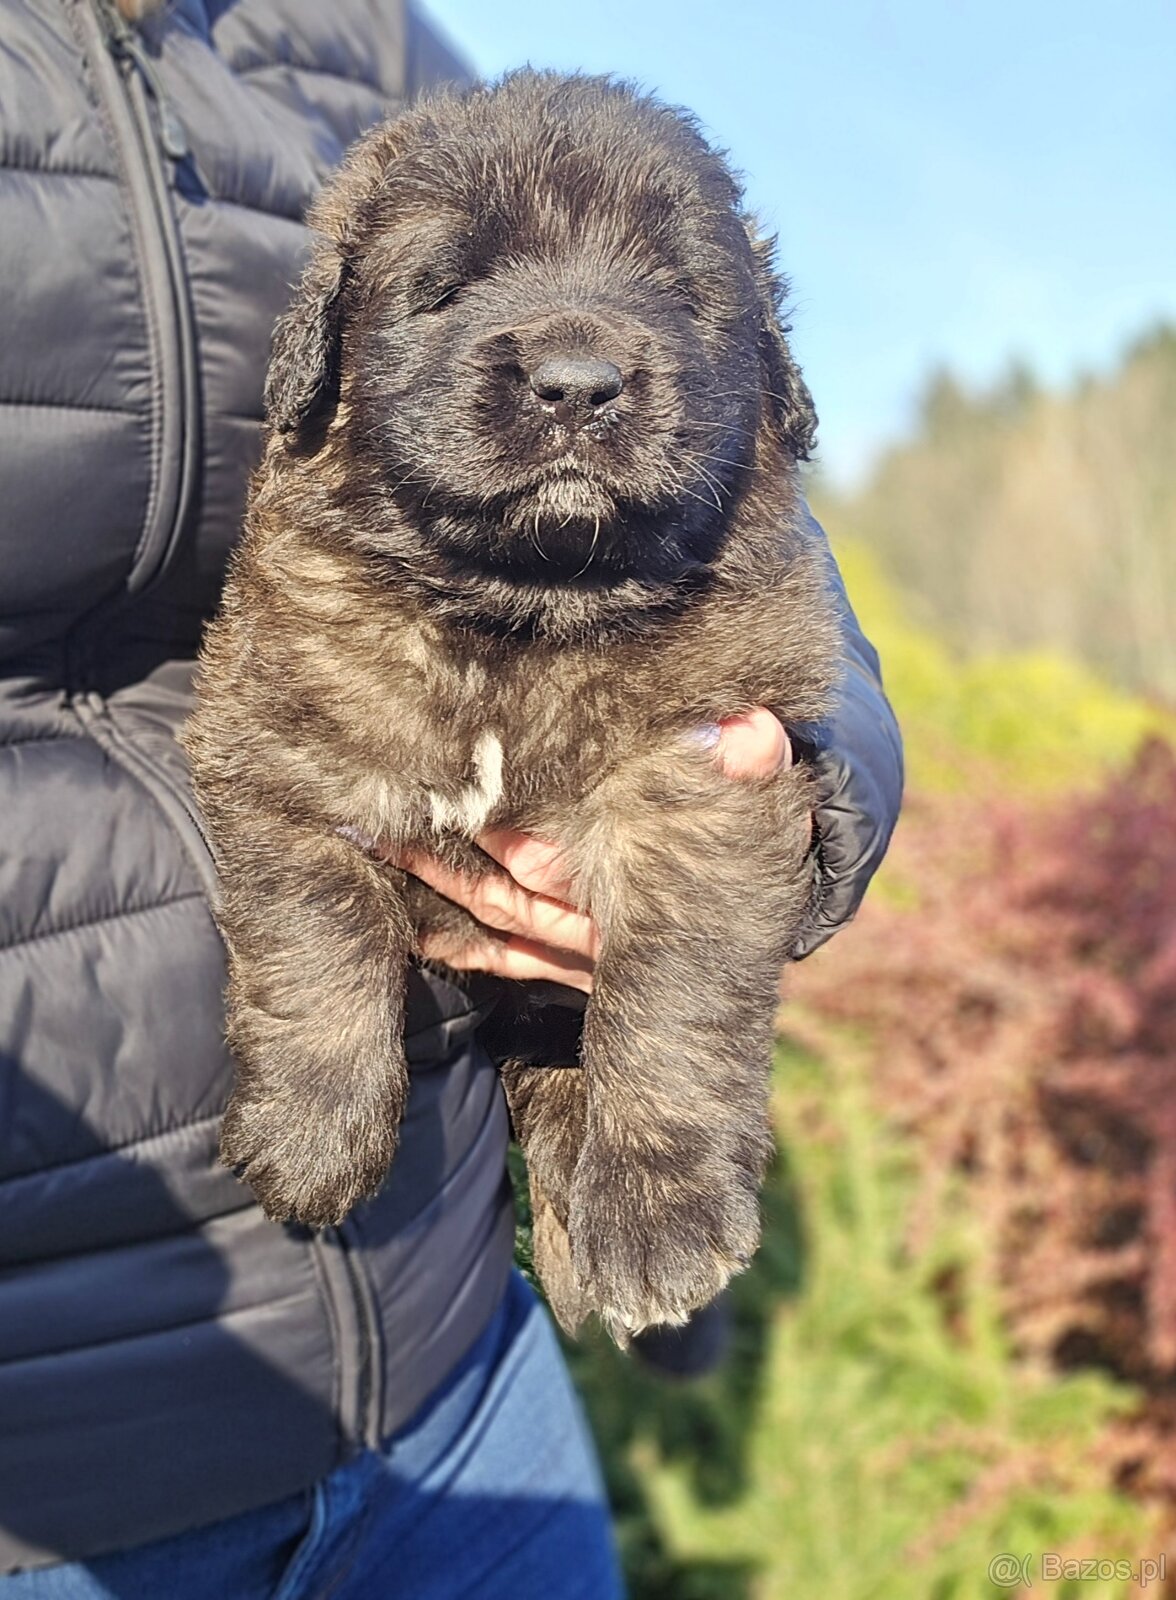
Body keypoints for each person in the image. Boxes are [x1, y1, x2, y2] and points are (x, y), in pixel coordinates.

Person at [0, 0, 903, 1593]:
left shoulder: (358, 40)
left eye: (664, 298)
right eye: (458, 289)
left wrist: (823, 780)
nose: (569, 349)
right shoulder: (311, 612)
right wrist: (325, 1021)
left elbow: (784, 605)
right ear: (326, 353)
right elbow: (274, 783)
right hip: (63, 1387)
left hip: (449, 1355)